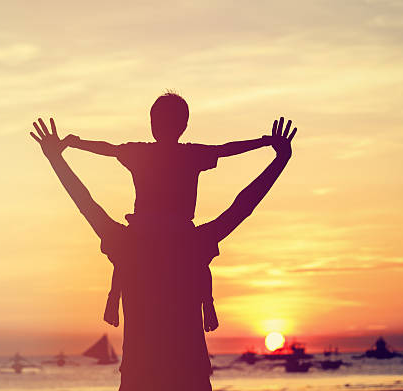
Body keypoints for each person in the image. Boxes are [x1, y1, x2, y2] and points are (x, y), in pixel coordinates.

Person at [30, 115, 297, 391]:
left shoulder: (127, 244)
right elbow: (242, 205)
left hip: (140, 376)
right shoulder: (194, 244)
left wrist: (56, 158)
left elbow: (85, 201)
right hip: (187, 374)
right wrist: (278, 158)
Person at [65, 93, 272, 331]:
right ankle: (120, 299)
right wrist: (263, 142)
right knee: (195, 258)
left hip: (160, 228)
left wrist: (76, 143)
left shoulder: (155, 153)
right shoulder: (180, 154)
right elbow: (225, 150)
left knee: (131, 254)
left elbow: (108, 149)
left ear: (177, 125)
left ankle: (201, 304)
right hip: (165, 228)